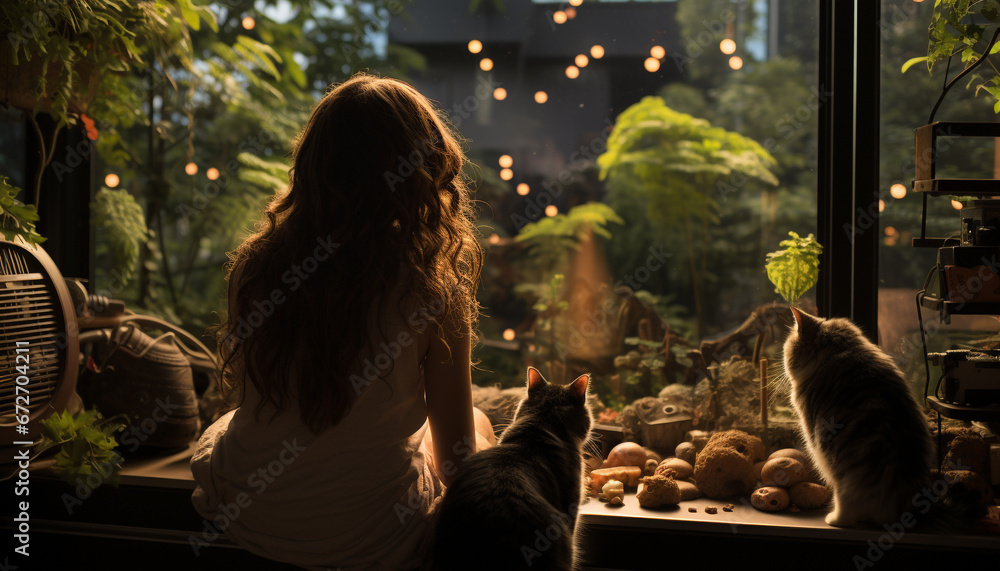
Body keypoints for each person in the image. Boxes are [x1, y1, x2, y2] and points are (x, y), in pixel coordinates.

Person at [190, 73, 494, 571]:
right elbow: (457, 462)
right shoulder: (431, 290)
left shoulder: (256, 264)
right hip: (371, 538)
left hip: (252, 515)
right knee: (478, 425)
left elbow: (259, 397)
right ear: (421, 173)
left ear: (312, 164)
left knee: (228, 427)